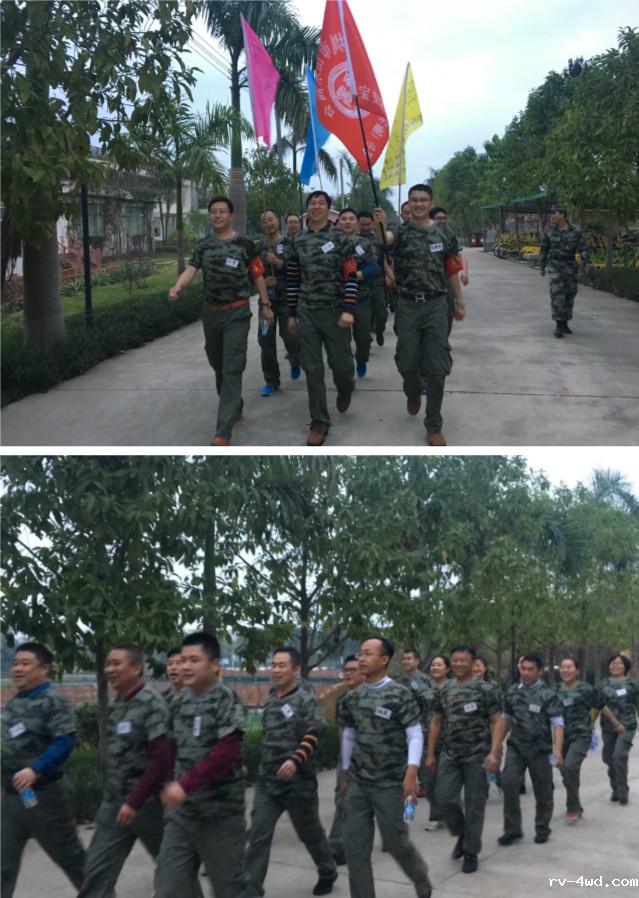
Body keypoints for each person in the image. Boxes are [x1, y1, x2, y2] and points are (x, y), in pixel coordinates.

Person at [78, 644, 190, 898]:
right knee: (96, 873)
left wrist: (135, 801)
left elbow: (162, 759)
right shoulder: (117, 705)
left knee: (174, 873)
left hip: (148, 805)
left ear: (136, 669)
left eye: (117, 663)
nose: (110, 669)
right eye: (108, 664)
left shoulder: (151, 704)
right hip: (114, 804)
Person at [154, 632, 253, 898]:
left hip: (220, 815)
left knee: (229, 890)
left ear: (215, 664)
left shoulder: (225, 699)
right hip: (182, 815)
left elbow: (227, 751)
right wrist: (165, 782)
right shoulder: (178, 702)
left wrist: (185, 784)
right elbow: (168, 748)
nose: (185, 666)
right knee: (168, 889)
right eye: (183, 660)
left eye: (194, 660)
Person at [168, 195, 273, 447]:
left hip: (237, 313)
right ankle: (235, 403)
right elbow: (191, 270)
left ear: (231, 215)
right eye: (213, 211)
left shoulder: (244, 244)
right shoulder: (203, 246)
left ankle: (223, 432)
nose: (217, 215)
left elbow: (258, 275)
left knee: (231, 367)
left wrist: (266, 304)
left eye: (222, 211)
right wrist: (178, 286)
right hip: (211, 313)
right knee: (218, 364)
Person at [337, 637, 433, 898]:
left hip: (390, 783)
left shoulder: (399, 694)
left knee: (396, 842)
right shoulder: (351, 698)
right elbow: (348, 734)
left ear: (384, 659)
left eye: (368, 654)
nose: (361, 658)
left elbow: (415, 733)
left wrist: (411, 773)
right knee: (355, 849)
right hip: (358, 782)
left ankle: (419, 875)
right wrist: (345, 772)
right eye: (360, 653)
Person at [373, 185, 464, 447]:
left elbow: (451, 269)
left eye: (424, 200)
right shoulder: (401, 231)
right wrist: (379, 225)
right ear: (409, 204)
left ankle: (433, 424)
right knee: (407, 363)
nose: (419, 204)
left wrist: (459, 301)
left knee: (437, 368)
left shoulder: (444, 232)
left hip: (436, 305)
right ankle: (413, 391)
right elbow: (384, 240)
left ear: (431, 203)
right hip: (408, 306)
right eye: (414, 200)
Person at [245, 646, 337, 897]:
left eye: (281, 665)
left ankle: (327, 870)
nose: (275, 670)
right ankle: (251, 889)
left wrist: (295, 761)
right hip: (268, 782)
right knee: (258, 835)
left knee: (310, 834)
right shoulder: (271, 697)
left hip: (299, 783)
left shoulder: (305, 699)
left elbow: (313, 733)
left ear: (295, 670)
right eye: (273, 665)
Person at [1, 642, 86, 898]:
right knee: (3, 864)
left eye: (25, 664)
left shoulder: (53, 701)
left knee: (71, 859)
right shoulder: (16, 702)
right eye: (16, 663)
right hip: (11, 798)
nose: (18, 669)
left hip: (46, 797)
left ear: (44, 668)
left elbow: (64, 742)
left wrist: (35, 769)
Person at [286, 191, 358, 447]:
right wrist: (292, 313)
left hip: (336, 311)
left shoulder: (340, 238)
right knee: (313, 368)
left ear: (329, 209)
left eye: (321, 203)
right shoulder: (298, 241)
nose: (315, 206)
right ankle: (319, 421)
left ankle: (345, 387)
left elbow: (351, 275)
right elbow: (293, 279)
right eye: (312, 203)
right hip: (307, 311)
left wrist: (349, 308)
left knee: (342, 365)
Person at [426, 645, 502, 874]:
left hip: (477, 756)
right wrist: (430, 753)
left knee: (475, 805)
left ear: (472, 662)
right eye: (455, 660)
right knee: (444, 799)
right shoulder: (444, 690)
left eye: (463, 660)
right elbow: (436, 721)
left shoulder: (485, 689)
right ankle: (462, 832)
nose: (459, 664)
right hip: (450, 754)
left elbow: (497, 721)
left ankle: (470, 852)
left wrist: (494, 752)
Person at [495, 653, 564, 846]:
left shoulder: (547, 694)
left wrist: (557, 749)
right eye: (523, 669)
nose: (526, 673)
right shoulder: (511, 692)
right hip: (516, 748)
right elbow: (505, 718)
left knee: (543, 791)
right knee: (508, 784)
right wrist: (497, 745)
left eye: (530, 670)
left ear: (539, 671)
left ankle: (542, 827)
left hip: (540, 750)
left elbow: (557, 722)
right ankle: (512, 829)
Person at [256, 209, 302, 395]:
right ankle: (271, 380)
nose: (268, 224)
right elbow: (252, 273)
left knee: (290, 338)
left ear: (278, 221)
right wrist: (262, 282)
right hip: (266, 303)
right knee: (265, 341)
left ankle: (295, 359)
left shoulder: (290, 244)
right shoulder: (258, 248)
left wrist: (278, 263)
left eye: (271, 219)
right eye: (264, 221)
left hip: (286, 301)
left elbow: (298, 268)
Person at [328, 655, 364, 866]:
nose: (348, 674)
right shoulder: (343, 699)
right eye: (346, 670)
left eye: (353, 670)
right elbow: (342, 730)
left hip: (376, 758)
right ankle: (336, 847)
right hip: (349, 757)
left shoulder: (377, 695)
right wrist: (344, 761)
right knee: (343, 798)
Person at [553, 657, 599, 823]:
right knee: (566, 771)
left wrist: (614, 723)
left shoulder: (586, 689)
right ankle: (576, 803)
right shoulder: (555, 689)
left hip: (581, 735)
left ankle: (572, 807)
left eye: (569, 667)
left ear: (577, 670)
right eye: (563, 667)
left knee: (570, 766)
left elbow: (600, 705)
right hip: (561, 736)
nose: (565, 670)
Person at [539, 202, 590, 338]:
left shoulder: (576, 231)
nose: (552, 216)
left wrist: (586, 263)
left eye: (554, 213)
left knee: (569, 294)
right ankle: (559, 324)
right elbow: (544, 250)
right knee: (557, 294)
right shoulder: (548, 231)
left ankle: (565, 321)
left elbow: (583, 249)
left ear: (563, 214)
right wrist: (542, 266)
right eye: (551, 213)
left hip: (570, 266)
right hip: (555, 266)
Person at [337, 208, 377, 378]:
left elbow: (373, 267)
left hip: (361, 298)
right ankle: (346, 372)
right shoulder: (331, 243)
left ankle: (361, 359)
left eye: (351, 219)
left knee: (363, 338)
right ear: (338, 222)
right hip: (339, 299)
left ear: (357, 223)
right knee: (341, 340)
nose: (347, 222)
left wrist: (354, 276)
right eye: (344, 218)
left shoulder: (365, 244)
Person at [597, 653, 639, 806]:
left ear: (625, 667)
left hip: (627, 725)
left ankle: (622, 791)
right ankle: (615, 787)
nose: (615, 666)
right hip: (608, 727)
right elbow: (597, 706)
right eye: (612, 663)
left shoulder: (633, 685)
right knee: (609, 758)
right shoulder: (602, 685)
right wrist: (589, 724)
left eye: (619, 663)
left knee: (619, 755)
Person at [395, 649, 433, 799]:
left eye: (409, 658)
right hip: (400, 726)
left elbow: (430, 702)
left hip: (420, 725)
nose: (406, 661)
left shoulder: (423, 679)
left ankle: (425, 786)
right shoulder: (397, 680)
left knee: (422, 761)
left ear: (417, 661)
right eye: (404, 659)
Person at [430, 207, 469, 336]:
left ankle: (443, 340)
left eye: (444, 218)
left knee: (448, 316)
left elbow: (460, 254)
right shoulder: (424, 234)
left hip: (447, 282)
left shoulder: (449, 234)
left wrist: (464, 272)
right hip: (429, 284)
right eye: (438, 219)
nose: (442, 221)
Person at [423, 655, 450, 830]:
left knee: (447, 783)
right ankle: (437, 816)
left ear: (447, 668)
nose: (435, 667)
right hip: (427, 742)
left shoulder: (453, 689)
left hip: (450, 742)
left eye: (439, 665)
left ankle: (449, 812)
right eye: (433, 665)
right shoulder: (425, 692)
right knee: (428, 781)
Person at [356, 211, 387, 346]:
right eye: (362, 224)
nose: (365, 227)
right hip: (360, 285)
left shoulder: (379, 240)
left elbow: (386, 258)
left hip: (377, 284)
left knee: (381, 313)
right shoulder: (353, 241)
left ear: (373, 224)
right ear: (358, 224)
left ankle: (379, 331)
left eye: (368, 224)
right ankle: (366, 337)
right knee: (364, 316)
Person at [164, 646, 184, 712]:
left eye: (178, 663)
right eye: (170, 664)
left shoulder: (198, 697)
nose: (173, 667)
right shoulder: (162, 698)